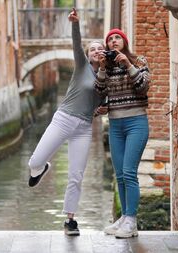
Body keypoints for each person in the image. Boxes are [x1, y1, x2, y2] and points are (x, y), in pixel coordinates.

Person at [27, 8, 105, 236]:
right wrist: (75, 24)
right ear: (89, 55)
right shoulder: (82, 66)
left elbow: (105, 100)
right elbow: (76, 43)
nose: (96, 51)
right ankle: (41, 168)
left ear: (106, 54)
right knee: (34, 162)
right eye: (93, 49)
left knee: (76, 175)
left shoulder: (109, 77)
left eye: (100, 48)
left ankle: (70, 220)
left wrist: (103, 108)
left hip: (83, 128)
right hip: (63, 119)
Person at [94, 28, 151, 238]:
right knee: (119, 175)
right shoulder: (107, 67)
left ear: (124, 41)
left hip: (136, 123)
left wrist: (128, 65)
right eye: (110, 39)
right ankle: (124, 219)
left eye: (117, 37)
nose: (113, 41)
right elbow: (99, 92)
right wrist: (101, 69)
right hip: (115, 125)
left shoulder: (139, 61)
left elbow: (143, 87)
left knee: (129, 172)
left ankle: (132, 220)